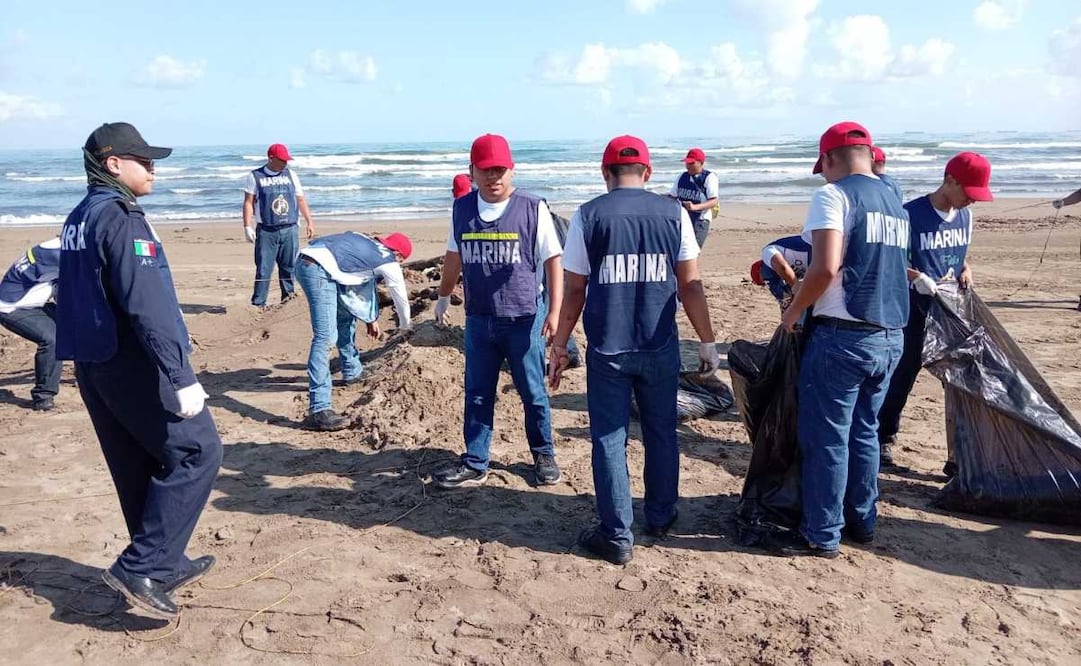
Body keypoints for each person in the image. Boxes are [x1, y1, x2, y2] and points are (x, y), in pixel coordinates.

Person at [56, 122, 221, 618]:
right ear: (113, 164)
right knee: (198, 451)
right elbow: (147, 303)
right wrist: (180, 374)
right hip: (132, 360)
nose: (153, 169)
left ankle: (162, 563)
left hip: (94, 360)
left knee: (138, 462)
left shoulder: (80, 215)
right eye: (144, 161)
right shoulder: (121, 217)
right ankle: (143, 566)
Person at [548, 135, 720, 565]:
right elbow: (690, 284)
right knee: (662, 431)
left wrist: (559, 344)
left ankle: (616, 534)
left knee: (610, 439)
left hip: (609, 347)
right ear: (647, 172)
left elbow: (574, 290)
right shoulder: (674, 214)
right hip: (659, 344)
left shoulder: (588, 215)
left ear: (605, 173)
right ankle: (660, 514)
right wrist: (707, 340)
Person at [776, 121, 910, 558]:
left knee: (827, 438)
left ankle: (822, 532)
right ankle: (863, 520)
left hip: (843, 336)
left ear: (830, 158)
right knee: (865, 432)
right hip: (890, 334)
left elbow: (825, 267)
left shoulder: (833, 196)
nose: (824, 176)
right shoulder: (894, 202)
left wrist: (795, 310)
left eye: (824, 168)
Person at [431, 133, 563, 489]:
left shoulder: (532, 208)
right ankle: (476, 460)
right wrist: (443, 296)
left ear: (512, 170)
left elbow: (553, 260)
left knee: (532, 391)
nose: (493, 177)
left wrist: (554, 312)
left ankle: (543, 454)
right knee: (477, 392)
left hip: (524, 318)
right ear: (472, 171)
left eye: (500, 170)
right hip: (479, 318)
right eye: (486, 170)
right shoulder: (462, 209)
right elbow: (454, 256)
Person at [877, 152, 993, 473]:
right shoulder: (909, 215)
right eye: (969, 192)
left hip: (950, 313)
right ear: (949, 180)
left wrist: (966, 268)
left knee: (958, 385)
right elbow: (888, 258)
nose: (972, 200)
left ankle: (958, 456)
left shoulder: (965, 217)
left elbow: (956, 254)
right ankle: (883, 438)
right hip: (913, 312)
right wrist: (916, 277)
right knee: (901, 377)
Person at [295, 231, 414, 431]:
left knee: (345, 317)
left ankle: (352, 371)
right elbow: (400, 298)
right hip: (317, 270)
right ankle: (319, 409)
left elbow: (354, 286)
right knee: (325, 337)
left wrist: (370, 318)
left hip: (309, 259)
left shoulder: (367, 242)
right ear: (399, 256)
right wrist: (406, 327)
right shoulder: (388, 261)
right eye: (401, 261)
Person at [242, 143, 316, 308]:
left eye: (286, 160)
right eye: (282, 160)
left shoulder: (291, 175)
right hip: (267, 231)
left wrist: (309, 221)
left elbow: (300, 199)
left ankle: (288, 299)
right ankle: (258, 304)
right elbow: (248, 202)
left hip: (290, 229)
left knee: (289, 267)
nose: (285, 163)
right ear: (271, 158)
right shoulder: (255, 176)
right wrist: (247, 226)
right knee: (264, 269)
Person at [0, 238, 63, 411]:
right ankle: (43, 397)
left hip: (33, 303)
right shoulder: (57, 255)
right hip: (12, 307)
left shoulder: (57, 247)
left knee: (75, 323)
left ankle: (87, 373)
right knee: (53, 340)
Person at [670, 148, 719, 248]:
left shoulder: (709, 177)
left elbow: (714, 200)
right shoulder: (682, 177)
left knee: (693, 250)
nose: (688, 166)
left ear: (701, 163)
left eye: (692, 163)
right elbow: (672, 197)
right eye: (687, 163)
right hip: (683, 219)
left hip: (700, 220)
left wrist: (694, 207)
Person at [751, 235, 813, 311]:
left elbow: (781, 266)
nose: (765, 284)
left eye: (763, 282)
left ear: (759, 272)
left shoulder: (766, 253)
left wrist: (795, 286)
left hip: (815, 249)